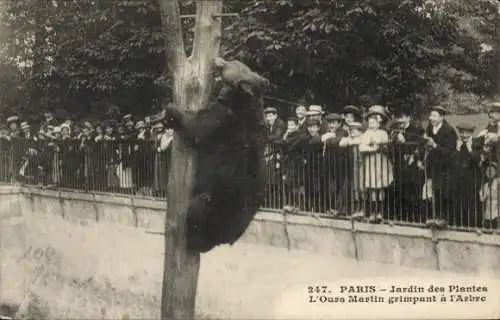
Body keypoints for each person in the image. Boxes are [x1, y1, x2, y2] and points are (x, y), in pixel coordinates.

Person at [354, 106, 393, 223]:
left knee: (380, 187)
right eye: (369, 121)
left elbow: (386, 145)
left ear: (379, 122)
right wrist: (373, 148)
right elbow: (362, 147)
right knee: (372, 187)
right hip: (370, 162)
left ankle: (380, 212)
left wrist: (380, 144)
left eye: (374, 121)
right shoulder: (366, 133)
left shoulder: (383, 133)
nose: (371, 123)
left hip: (381, 162)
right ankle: (372, 212)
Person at [423, 105, 457, 228]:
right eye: (431, 115)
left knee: (443, 191)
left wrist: (435, 145)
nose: (431, 118)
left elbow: (448, 151)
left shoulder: (449, 130)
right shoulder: (430, 128)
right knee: (433, 190)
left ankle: (444, 218)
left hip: (445, 167)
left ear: (441, 117)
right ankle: (434, 217)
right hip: (433, 165)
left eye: (434, 115)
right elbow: (426, 142)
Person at [451, 123, 483, 228]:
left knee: (473, 205)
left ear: (471, 133)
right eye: (462, 132)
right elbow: (453, 163)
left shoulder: (476, 143)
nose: (464, 135)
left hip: (473, 180)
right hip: (460, 180)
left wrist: (470, 150)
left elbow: (478, 162)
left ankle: (475, 226)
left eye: (466, 133)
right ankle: (462, 226)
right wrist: (457, 149)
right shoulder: (458, 144)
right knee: (461, 204)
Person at [480, 162, 499, 229]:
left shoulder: (498, 182)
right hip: (489, 211)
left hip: (497, 210)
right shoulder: (485, 185)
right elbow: (482, 198)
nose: (489, 172)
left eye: (492, 170)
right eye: (488, 171)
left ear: (496, 172)